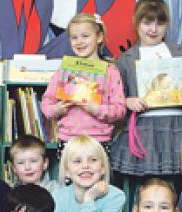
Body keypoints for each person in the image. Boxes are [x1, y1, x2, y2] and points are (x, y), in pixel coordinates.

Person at [109, 0, 182, 187]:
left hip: (177, 127)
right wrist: (129, 102)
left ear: (166, 25)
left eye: (160, 23)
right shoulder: (127, 59)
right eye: (147, 22)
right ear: (136, 23)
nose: (153, 29)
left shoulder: (179, 53)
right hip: (145, 130)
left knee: (180, 184)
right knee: (145, 186)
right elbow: (117, 101)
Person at [40, 12, 126, 143]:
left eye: (85, 36)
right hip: (68, 139)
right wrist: (56, 109)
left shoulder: (111, 72)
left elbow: (120, 110)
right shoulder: (64, 70)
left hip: (99, 139)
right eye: (74, 38)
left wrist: (97, 109)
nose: (79, 42)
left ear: (99, 37)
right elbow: (47, 102)